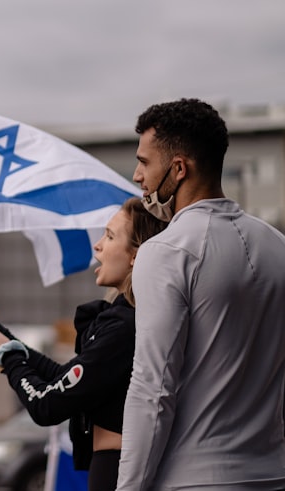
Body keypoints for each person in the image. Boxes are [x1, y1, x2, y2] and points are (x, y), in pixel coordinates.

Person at [117, 98, 285, 490]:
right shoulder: (278, 246)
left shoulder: (165, 251)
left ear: (178, 168)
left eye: (145, 162)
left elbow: (152, 390)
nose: (138, 176)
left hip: (193, 478)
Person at [0, 197, 166, 491]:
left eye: (110, 236)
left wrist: (7, 355)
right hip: (117, 465)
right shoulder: (132, 320)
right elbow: (62, 377)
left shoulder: (124, 329)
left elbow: (46, 404)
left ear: (136, 256)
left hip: (116, 470)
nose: (98, 245)